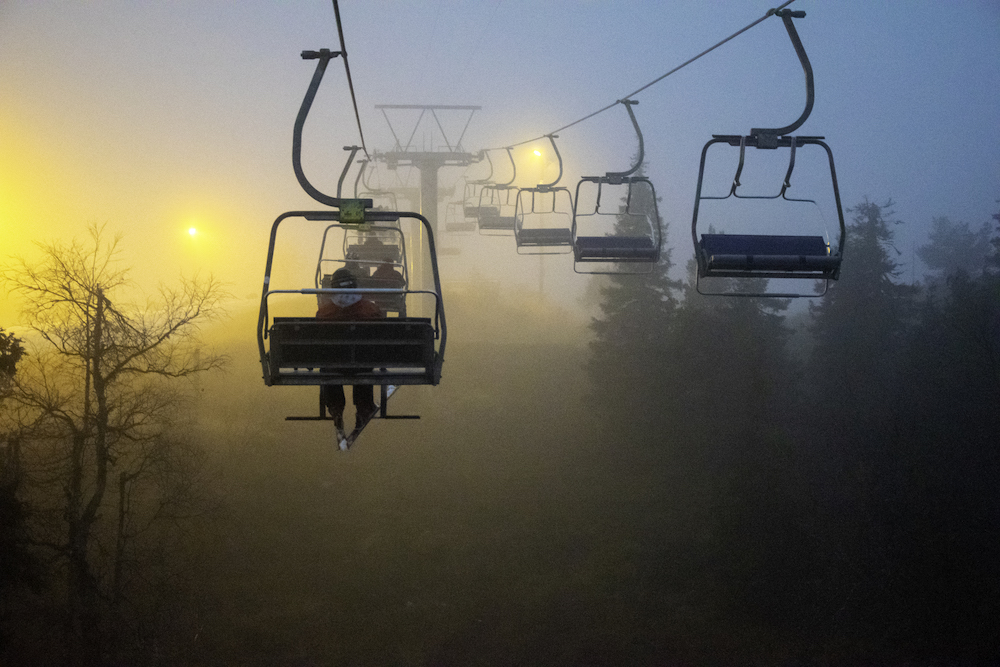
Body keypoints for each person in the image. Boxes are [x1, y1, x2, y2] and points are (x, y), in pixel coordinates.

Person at [316, 267, 381, 432]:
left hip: (334, 365)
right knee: (363, 363)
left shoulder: (324, 312)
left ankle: (335, 407)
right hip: (363, 363)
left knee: (329, 366)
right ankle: (364, 406)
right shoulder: (370, 309)